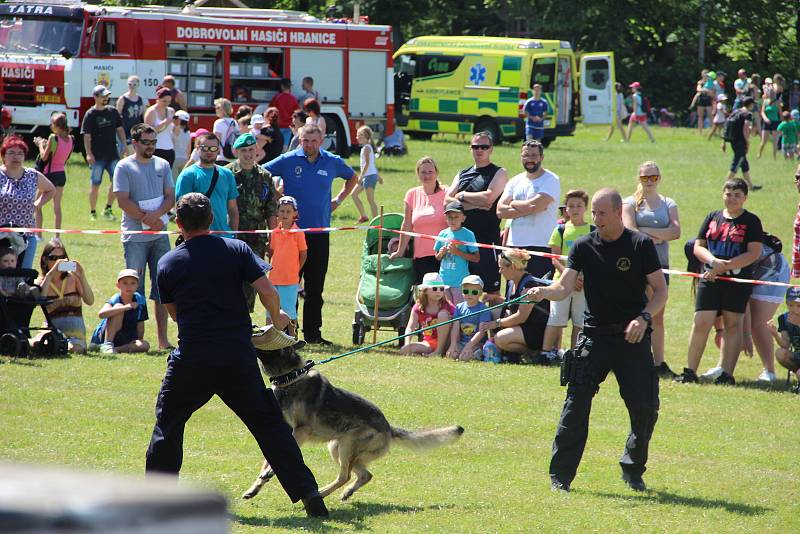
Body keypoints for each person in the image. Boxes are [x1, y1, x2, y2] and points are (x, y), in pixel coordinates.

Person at [144, 193, 327, 517]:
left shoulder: (168, 262)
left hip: (193, 359)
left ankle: (157, 500)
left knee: (168, 425)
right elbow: (268, 291)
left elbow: (173, 314)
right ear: (211, 220)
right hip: (236, 358)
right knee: (270, 426)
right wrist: (279, 318)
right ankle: (309, 494)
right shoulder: (237, 249)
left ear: (179, 223)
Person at [527, 188, 666, 493]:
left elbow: (660, 290)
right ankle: (560, 477)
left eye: (602, 213)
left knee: (644, 407)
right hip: (594, 336)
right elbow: (563, 288)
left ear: (618, 213)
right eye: (594, 213)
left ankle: (633, 468)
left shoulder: (639, 244)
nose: (596, 219)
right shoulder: (583, 245)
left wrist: (643, 319)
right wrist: (544, 292)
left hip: (632, 336)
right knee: (575, 405)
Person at [263, 124, 357, 345]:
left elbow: (352, 177)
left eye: (314, 141)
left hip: (319, 232)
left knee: (316, 286)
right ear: (299, 139)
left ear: (322, 140)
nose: (309, 145)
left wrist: (338, 201)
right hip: (290, 235)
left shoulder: (332, 161)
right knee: (289, 284)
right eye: (305, 140)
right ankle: (287, 333)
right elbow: (262, 172)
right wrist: (280, 199)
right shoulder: (288, 159)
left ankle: (313, 334)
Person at [675, 179, 763, 385]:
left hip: (736, 280)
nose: (732, 198)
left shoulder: (751, 221)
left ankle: (726, 374)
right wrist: (713, 262)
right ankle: (690, 372)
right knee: (701, 322)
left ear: (745, 198)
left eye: (737, 195)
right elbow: (698, 246)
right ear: (722, 194)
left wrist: (725, 265)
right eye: (728, 193)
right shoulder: (712, 217)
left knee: (733, 325)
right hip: (710, 278)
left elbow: (754, 253)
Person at [113, 123, 175, 351]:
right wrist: (146, 219)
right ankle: (133, 337)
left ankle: (162, 339)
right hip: (135, 237)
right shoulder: (124, 166)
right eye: (146, 143)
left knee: (162, 288)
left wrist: (158, 216)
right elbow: (122, 200)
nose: (151, 147)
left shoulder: (163, 164)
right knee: (133, 289)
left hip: (160, 235)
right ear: (135, 142)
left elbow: (170, 196)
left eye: (154, 143)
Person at [622, 162, 681, 378]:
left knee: (658, 315)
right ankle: (636, 358)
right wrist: (655, 235)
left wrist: (646, 232)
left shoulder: (668, 203)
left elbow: (676, 232)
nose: (649, 181)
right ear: (639, 178)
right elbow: (630, 231)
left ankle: (659, 362)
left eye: (653, 177)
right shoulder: (629, 203)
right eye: (645, 177)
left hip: (661, 265)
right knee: (638, 312)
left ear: (659, 178)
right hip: (637, 266)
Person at [445, 131, 508, 294]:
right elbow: (446, 201)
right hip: (461, 240)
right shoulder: (462, 173)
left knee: (491, 292)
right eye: (475, 146)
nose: (479, 150)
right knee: (461, 289)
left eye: (484, 147)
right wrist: (475, 204)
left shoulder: (499, 172)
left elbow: (488, 198)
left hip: (486, 240)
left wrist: (461, 196)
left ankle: (491, 320)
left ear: (491, 149)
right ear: (470, 148)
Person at [226, 132, 278, 309]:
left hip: (256, 241)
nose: (248, 154)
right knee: (230, 281)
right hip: (232, 238)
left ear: (256, 150)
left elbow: (271, 210)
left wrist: (273, 239)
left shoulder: (265, 176)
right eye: (243, 150)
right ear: (236, 152)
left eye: (251, 149)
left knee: (251, 284)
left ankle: (244, 323)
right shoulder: (226, 174)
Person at [496, 140, 560, 278]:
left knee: (538, 293)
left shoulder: (551, 180)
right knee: (514, 294)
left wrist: (513, 203)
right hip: (515, 246)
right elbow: (500, 211)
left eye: (534, 155)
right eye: (526, 155)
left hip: (541, 245)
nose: (530, 159)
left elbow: (535, 206)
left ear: (541, 157)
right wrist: (530, 207)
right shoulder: (514, 181)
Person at [541, 190, 591, 360]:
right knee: (556, 319)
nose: (575, 209)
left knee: (580, 322)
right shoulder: (560, 230)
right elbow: (555, 259)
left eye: (579, 205)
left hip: (584, 285)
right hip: (561, 282)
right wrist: (571, 277)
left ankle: (575, 355)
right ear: (566, 209)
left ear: (585, 208)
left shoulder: (592, 231)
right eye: (571, 206)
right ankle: (546, 353)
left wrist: (582, 279)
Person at [480, 249, 550, 362]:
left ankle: (532, 353)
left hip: (534, 330)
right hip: (523, 326)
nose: (499, 271)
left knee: (500, 339)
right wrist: (496, 298)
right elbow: (514, 303)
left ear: (512, 267)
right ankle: (503, 351)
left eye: (501, 268)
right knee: (492, 312)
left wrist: (496, 323)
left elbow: (521, 316)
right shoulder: (512, 281)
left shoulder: (528, 286)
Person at [0, 135, 55, 269]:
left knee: (24, 275)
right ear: (3, 156)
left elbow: (50, 189)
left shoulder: (32, 175)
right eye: (11, 153)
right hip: (1, 236)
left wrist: (37, 204)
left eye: (20, 153)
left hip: (27, 236)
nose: (16, 157)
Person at [390, 156, 447, 284]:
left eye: (430, 172)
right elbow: (407, 224)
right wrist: (400, 251)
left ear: (437, 173)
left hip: (445, 255)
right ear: (418, 174)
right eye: (423, 172)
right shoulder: (412, 194)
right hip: (421, 255)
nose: (427, 175)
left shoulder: (447, 193)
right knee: (425, 295)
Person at [36, 238, 94, 353]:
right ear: (44, 260)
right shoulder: (41, 282)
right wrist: (50, 274)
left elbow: (90, 301)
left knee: (73, 348)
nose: (58, 262)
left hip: (75, 336)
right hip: (51, 332)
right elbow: (39, 301)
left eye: (61, 258)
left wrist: (82, 276)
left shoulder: (73, 278)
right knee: (36, 345)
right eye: (53, 258)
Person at [176, 133, 239, 238]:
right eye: (205, 148)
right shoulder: (187, 175)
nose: (209, 151)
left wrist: (233, 235)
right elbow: (181, 210)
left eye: (213, 148)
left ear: (218, 150)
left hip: (224, 237)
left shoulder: (227, 174)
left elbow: (232, 209)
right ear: (197, 149)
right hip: (197, 238)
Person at [81, 84, 126, 222]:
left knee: (116, 182)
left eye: (107, 96)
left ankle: (108, 208)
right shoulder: (90, 114)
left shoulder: (113, 111)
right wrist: (89, 153)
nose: (106, 98)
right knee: (95, 184)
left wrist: (124, 144)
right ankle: (92, 212)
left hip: (113, 154)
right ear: (95, 97)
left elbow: (120, 129)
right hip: (97, 156)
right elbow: (86, 136)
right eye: (103, 96)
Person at [269, 196, 307, 334]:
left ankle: (292, 337)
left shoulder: (298, 233)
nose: (285, 214)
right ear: (277, 213)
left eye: (288, 211)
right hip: (273, 278)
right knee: (271, 309)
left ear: (295, 214)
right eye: (282, 211)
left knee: (289, 310)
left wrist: (296, 269)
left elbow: (303, 254)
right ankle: (271, 337)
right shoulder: (274, 233)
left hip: (290, 279)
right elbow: (273, 252)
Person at [89, 269, 150, 354]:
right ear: (118, 285)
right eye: (125, 283)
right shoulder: (116, 298)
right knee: (118, 307)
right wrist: (125, 307)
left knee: (145, 345)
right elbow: (101, 314)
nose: (129, 286)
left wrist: (138, 340)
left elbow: (140, 323)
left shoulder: (140, 300)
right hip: (109, 334)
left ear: (137, 285)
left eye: (133, 283)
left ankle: (116, 349)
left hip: (127, 336)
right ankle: (107, 344)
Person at [434, 201, 480, 305]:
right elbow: (437, 257)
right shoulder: (442, 234)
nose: (453, 220)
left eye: (456, 217)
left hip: (460, 282)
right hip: (443, 281)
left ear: (463, 218)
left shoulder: (468, 234)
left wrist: (457, 252)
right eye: (450, 217)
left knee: (458, 310)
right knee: (445, 309)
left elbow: (476, 258)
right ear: (446, 218)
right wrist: (441, 253)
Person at [33, 111, 73, 230]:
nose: (50, 126)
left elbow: (44, 157)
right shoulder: (71, 139)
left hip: (48, 174)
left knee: (37, 204)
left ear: (57, 126)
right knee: (57, 207)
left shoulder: (53, 137)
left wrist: (40, 144)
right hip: (61, 174)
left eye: (52, 124)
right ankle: (57, 236)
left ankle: (38, 234)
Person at [400, 272, 454, 357]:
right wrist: (407, 344)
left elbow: (457, 324)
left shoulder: (448, 306)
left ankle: (439, 351)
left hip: (447, 342)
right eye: (435, 288)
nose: (439, 291)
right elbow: (410, 327)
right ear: (425, 291)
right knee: (405, 349)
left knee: (442, 315)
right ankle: (428, 352)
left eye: (441, 289)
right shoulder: (418, 307)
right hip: (429, 343)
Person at [446, 274, 492, 361]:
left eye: (474, 292)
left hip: (478, 343)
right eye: (466, 291)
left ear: (480, 293)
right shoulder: (459, 307)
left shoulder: (484, 309)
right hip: (462, 342)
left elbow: (482, 332)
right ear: (462, 292)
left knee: (464, 357)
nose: (469, 295)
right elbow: (455, 327)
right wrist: (453, 344)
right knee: (453, 355)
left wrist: (469, 346)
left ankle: (479, 354)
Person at [723, 97, 761, 191]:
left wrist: (723, 142)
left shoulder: (736, 112)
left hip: (733, 141)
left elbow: (727, 125)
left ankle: (751, 186)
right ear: (750, 104)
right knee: (736, 164)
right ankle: (725, 187)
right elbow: (746, 128)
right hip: (740, 142)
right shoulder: (748, 114)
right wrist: (747, 141)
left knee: (744, 164)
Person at [769, 286, 800, 393]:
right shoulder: (784, 319)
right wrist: (775, 334)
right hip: (798, 355)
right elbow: (785, 345)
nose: (794, 309)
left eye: (798, 305)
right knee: (780, 353)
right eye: (790, 305)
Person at [352, 125, 381, 223]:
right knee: (354, 194)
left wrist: (361, 176)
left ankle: (376, 221)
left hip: (369, 177)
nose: (357, 137)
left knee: (370, 200)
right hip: (367, 176)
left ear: (365, 137)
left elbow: (368, 164)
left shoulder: (367, 148)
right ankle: (363, 216)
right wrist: (379, 176)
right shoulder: (366, 148)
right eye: (357, 135)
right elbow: (372, 164)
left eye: (359, 135)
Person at [144, 87, 176, 167]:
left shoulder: (171, 111)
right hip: (155, 149)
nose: (166, 104)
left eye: (169, 101)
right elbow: (148, 133)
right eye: (164, 101)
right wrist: (164, 123)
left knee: (167, 176)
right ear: (158, 99)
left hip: (169, 149)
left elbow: (174, 131)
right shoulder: (151, 111)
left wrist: (177, 125)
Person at [270, 78, 300, 145]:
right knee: (285, 146)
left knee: (277, 145)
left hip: (278, 126)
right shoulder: (293, 99)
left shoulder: (277, 97)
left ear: (282, 86)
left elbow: (270, 111)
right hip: (288, 126)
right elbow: (297, 112)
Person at [116, 75, 145, 145]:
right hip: (125, 131)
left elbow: (143, 115)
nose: (132, 86)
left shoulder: (141, 99)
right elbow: (116, 116)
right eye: (130, 84)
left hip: (136, 130)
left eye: (134, 84)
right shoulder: (123, 99)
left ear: (138, 85)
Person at [213, 98, 239, 164]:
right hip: (233, 158)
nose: (215, 109)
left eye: (218, 107)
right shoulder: (234, 122)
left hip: (221, 158)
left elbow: (216, 140)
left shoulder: (219, 123)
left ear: (223, 109)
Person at [172, 110, 191, 175]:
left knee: (174, 180)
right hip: (185, 159)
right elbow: (189, 149)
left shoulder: (174, 130)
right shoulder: (188, 133)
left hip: (175, 159)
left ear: (178, 120)